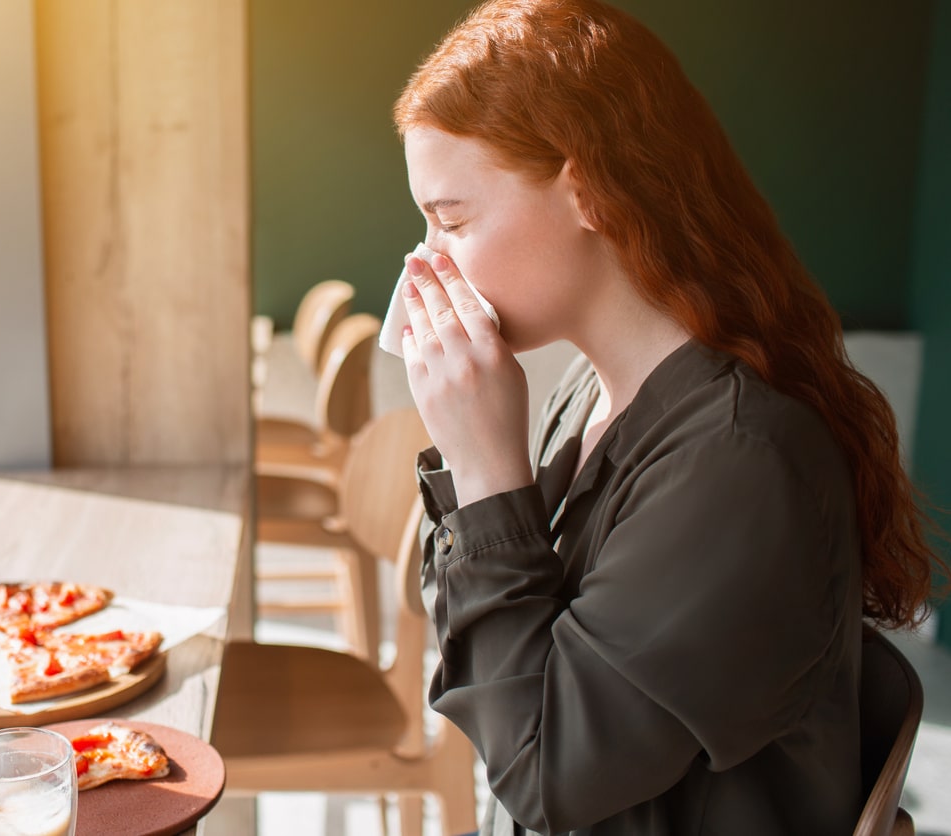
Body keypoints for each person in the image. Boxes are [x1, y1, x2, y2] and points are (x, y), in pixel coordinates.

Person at [389, 1, 945, 833]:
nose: (425, 260)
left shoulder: (738, 461)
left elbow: (545, 777)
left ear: (590, 192)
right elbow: (497, 671)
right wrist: (479, 469)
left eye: (452, 219)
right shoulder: (591, 391)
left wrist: (488, 475)